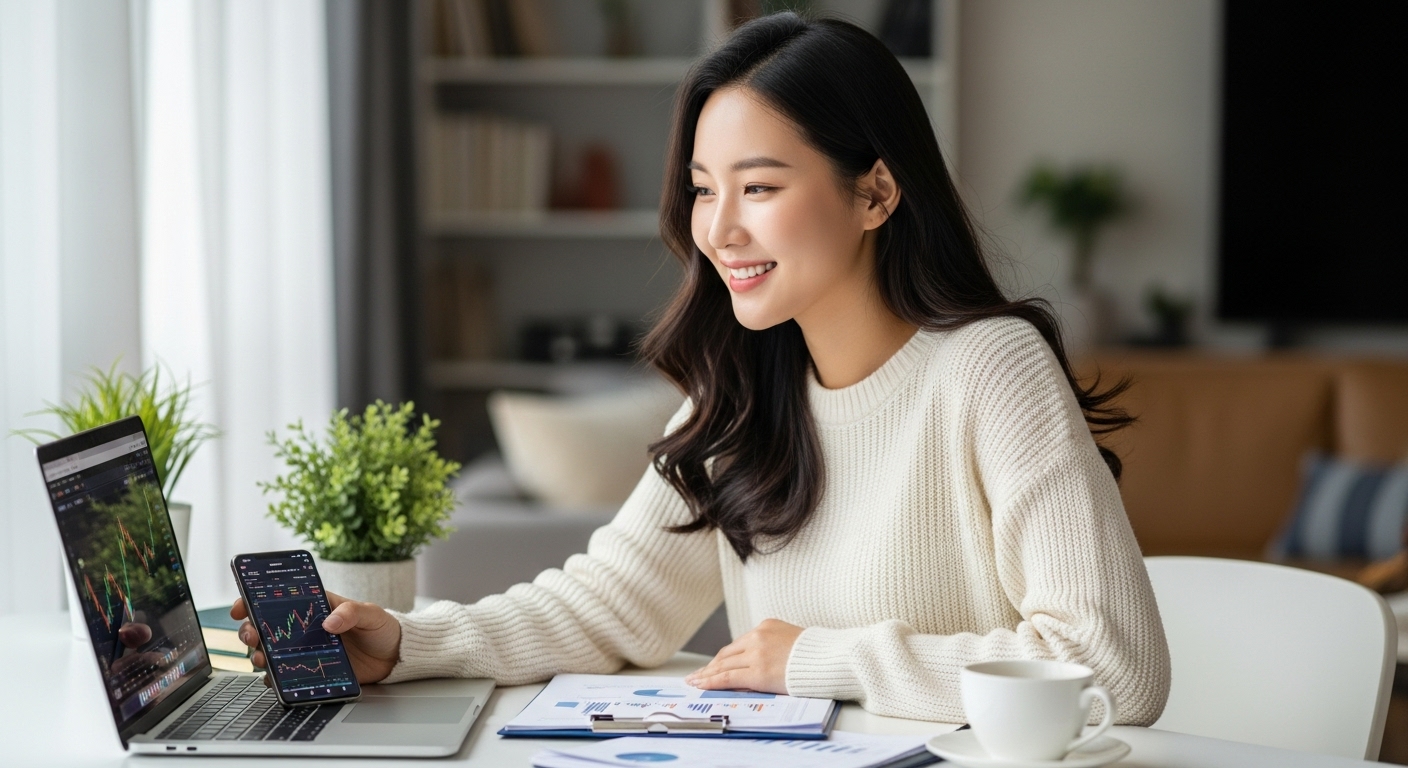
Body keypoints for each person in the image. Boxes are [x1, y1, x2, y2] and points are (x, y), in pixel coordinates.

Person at [233, 13, 1170, 724]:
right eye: (702, 188)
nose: (718, 230)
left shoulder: (987, 371)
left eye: (759, 188)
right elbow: (613, 606)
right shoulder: (745, 387)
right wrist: (405, 642)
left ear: (876, 191)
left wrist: (817, 659)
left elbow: (1114, 667)